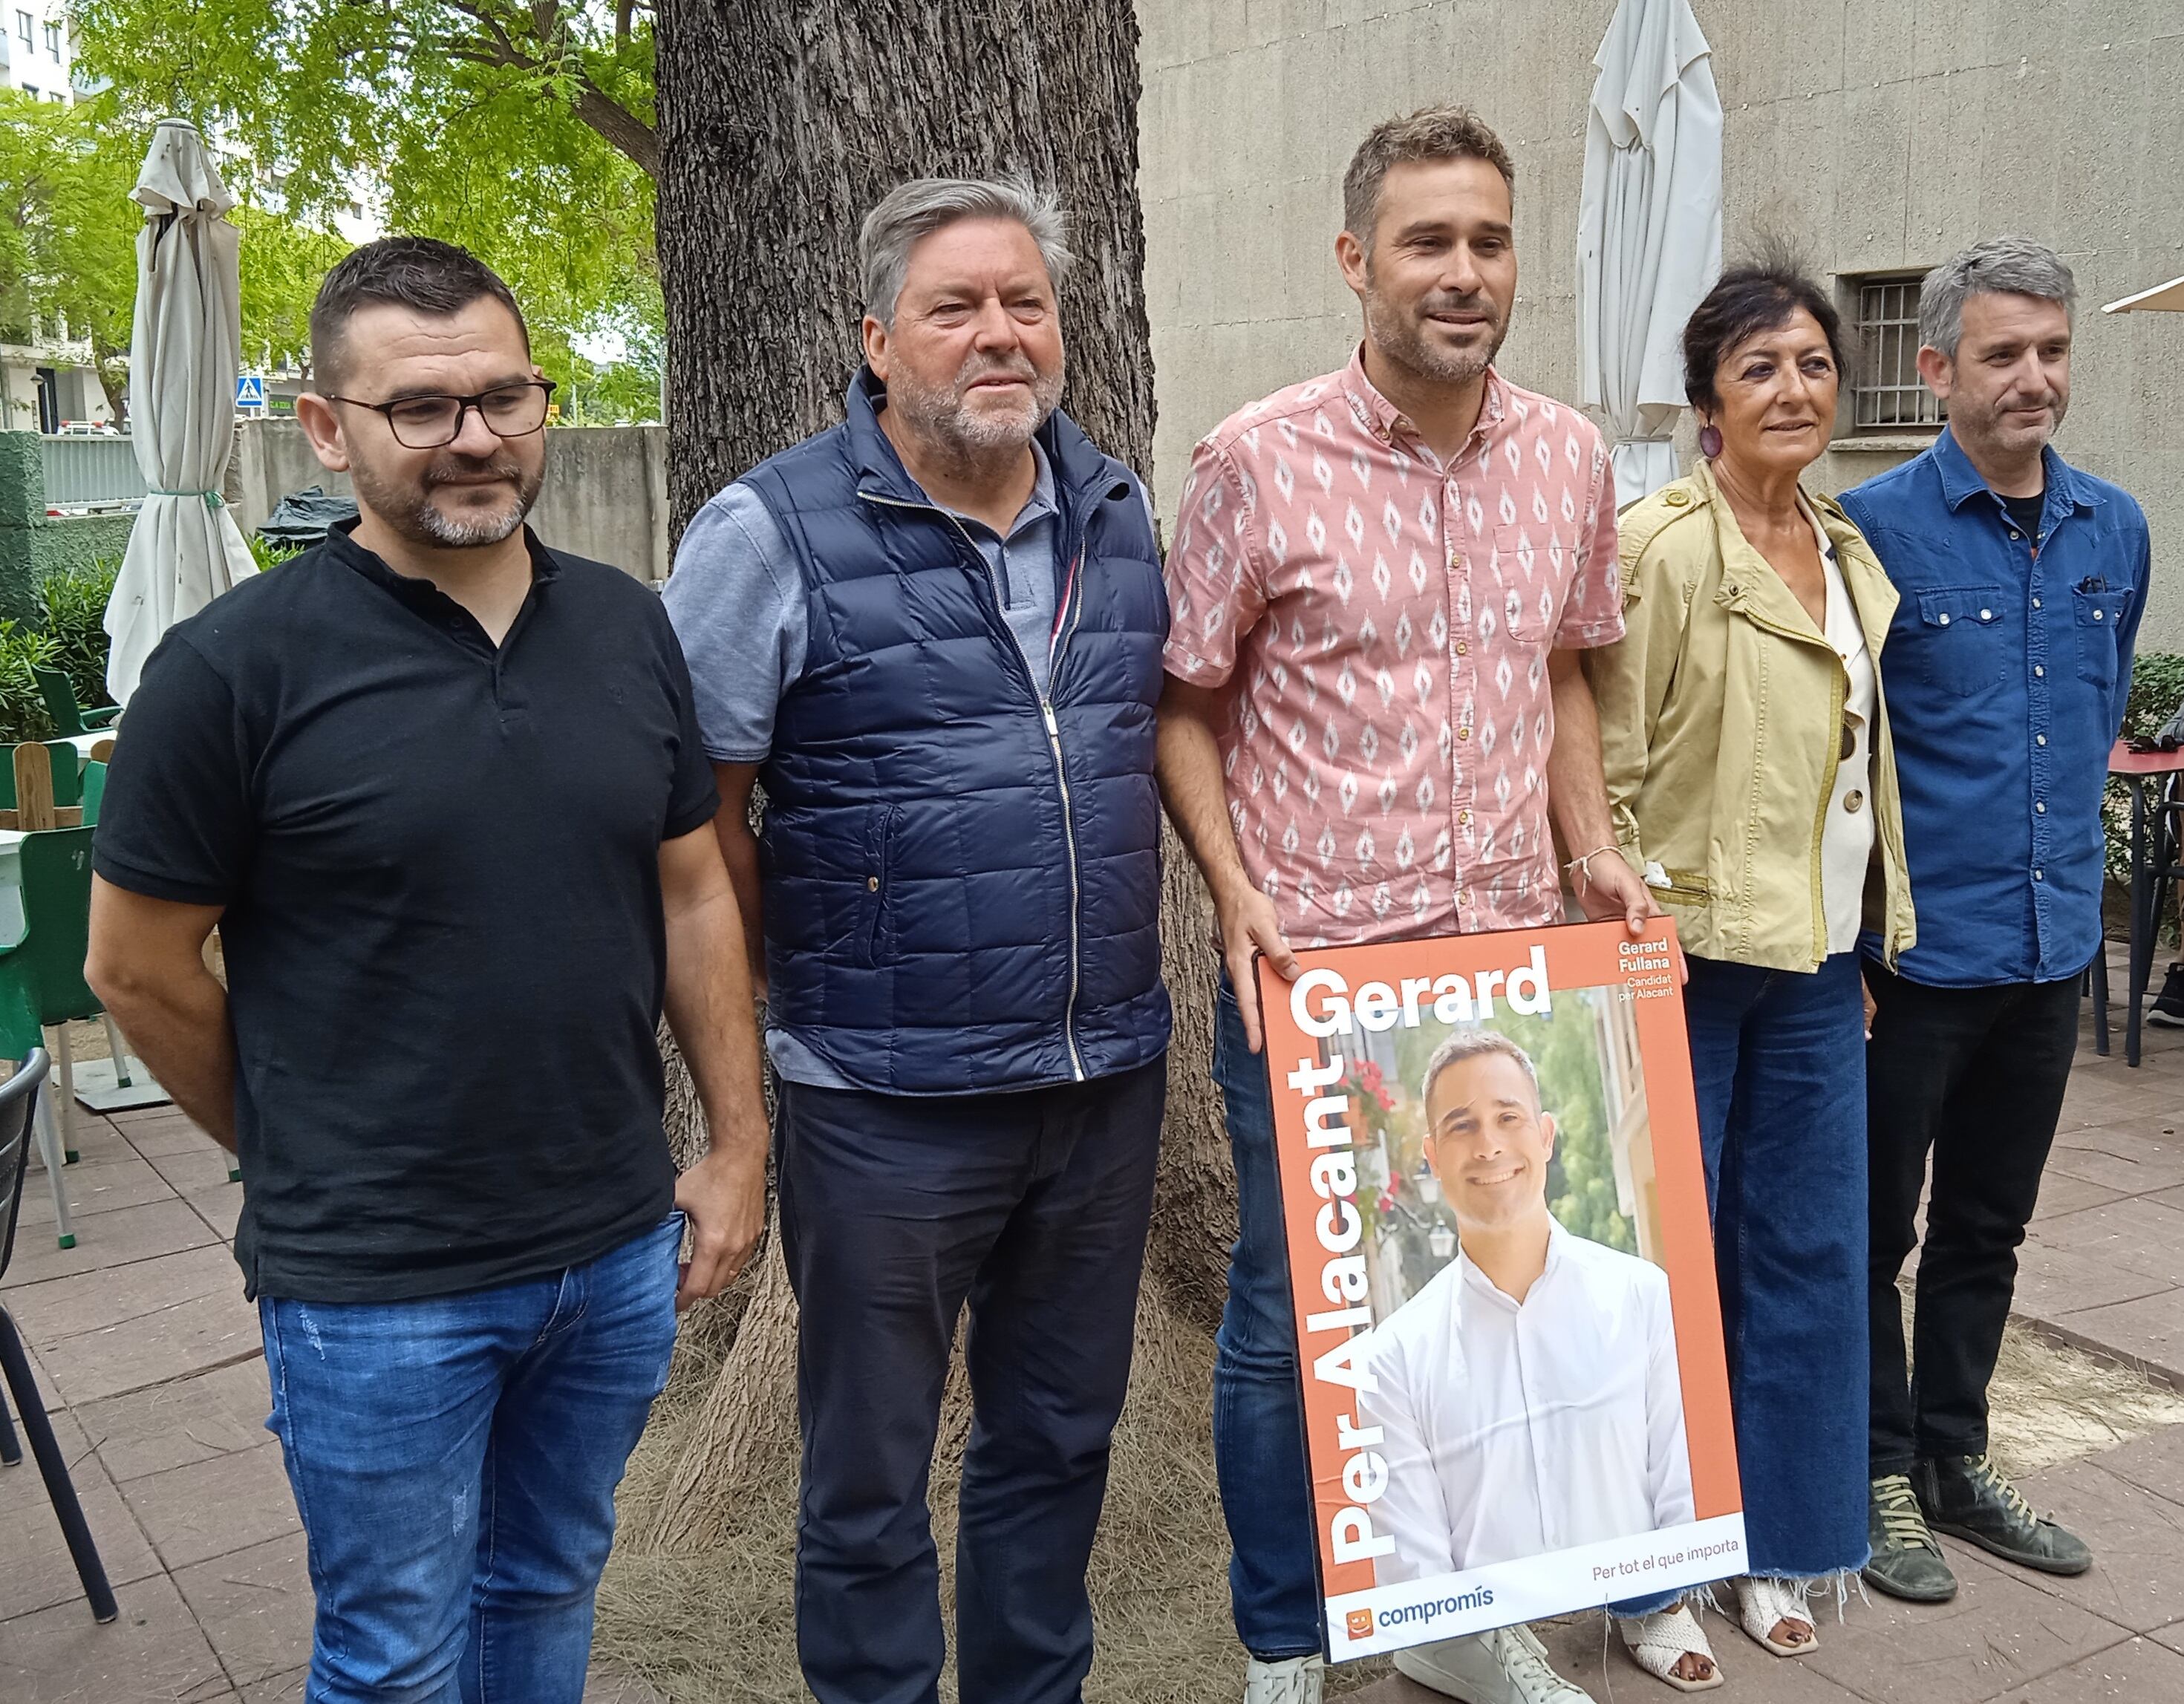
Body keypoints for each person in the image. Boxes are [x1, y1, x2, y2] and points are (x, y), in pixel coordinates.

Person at [83, 237, 770, 1703]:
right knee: (395, 1656)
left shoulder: (625, 624)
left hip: (609, 1246)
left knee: (544, 1589)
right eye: (421, 407)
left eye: (504, 395)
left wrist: (738, 1139)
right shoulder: (231, 671)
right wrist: (297, 1145)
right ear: (329, 427)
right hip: (377, 1288)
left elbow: (694, 885)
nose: (474, 436)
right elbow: (135, 969)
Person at [1158, 105, 1657, 1704]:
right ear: (1355, 258)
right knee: (1291, 1314)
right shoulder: (1254, 458)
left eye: (1489, 241)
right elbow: (1185, 702)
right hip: (1317, 970)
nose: (1463, 272)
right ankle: (1286, 1633)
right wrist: (1232, 892)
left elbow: (1568, 672)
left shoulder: (1570, 457)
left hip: (1508, 966)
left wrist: (1591, 847)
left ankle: (1463, 1609)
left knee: (1477, 1302)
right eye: (1428, 241)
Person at [661, 176, 1170, 1704]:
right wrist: (771, 1021)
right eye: (956, 308)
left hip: (1099, 1080)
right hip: (879, 1098)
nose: (998, 334)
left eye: (1025, 303)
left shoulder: (1118, 508)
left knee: (1058, 1442)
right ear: (879, 339)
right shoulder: (768, 529)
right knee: (869, 1477)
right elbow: (697, 814)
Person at [1588, 258, 1917, 1692]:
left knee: (1808, 1262)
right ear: (1707, 400)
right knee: (1660, 1275)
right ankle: (1648, 1578)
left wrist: (1858, 944)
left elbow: (1856, 777)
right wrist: (1620, 943)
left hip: (1810, 970)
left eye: (1814, 367)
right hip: (1678, 962)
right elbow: (1602, 767)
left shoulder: (1848, 552)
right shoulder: (1658, 545)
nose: (1794, 390)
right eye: (1760, 369)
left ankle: (1776, 1542)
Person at [1842, 237, 2148, 1603]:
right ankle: (1876, 1474)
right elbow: (1834, 751)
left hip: (2049, 951)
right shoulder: (1872, 530)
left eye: (2054, 351)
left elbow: (2092, 706)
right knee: (1872, 1233)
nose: (2035, 378)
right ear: (1934, 368)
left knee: (1988, 1226)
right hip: (1911, 962)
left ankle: (1960, 1464)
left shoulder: (2115, 530)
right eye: (2003, 354)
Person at [1360, 1032, 1694, 1584]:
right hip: (1494, 1659)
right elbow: (1416, 1579)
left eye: (1508, 1117)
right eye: (1461, 1125)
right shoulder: (1392, 1359)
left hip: (1652, 1628)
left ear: (1545, 1136)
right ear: (1432, 1158)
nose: (1488, 1145)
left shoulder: (1643, 1298)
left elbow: (1684, 1501)